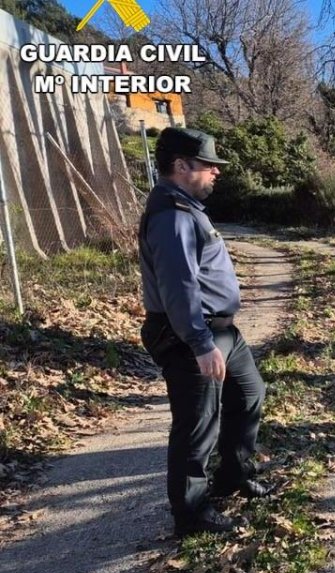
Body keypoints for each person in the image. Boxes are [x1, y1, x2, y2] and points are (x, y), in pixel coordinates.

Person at [138, 127, 269, 537]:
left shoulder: (186, 207)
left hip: (222, 332)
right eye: (209, 165)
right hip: (192, 336)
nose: (216, 172)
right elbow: (179, 287)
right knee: (197, 424)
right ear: (182, 166)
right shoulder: (172, 216)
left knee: (249, 395)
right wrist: (200, 343)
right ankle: (191, 514)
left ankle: (233, 475)